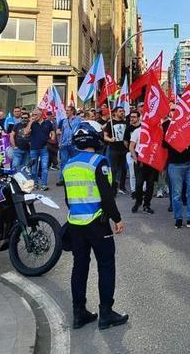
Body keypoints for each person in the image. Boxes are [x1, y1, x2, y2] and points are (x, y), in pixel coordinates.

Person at [62, 122, 129, 331]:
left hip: (75, 223)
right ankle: (106, 313)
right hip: (97, 224)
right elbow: (107, 196)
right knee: (106, 265)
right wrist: (117, 219)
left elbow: (68, 198)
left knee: (79, 267)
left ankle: (79, 313)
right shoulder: (99, 162)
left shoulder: (69, 165)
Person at [165, 117, 190, 229]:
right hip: (175, 165)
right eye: (172, 110)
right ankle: (178, 218)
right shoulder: (167, 125)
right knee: (177, 194)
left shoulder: (189, 122)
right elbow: (164, 144)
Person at [127, 120, 157, 214]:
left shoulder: (154, 132)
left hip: (151, 160)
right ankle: (138, 202)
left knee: (150, 184)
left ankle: (147, 204)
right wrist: (135, 158)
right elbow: (131, 146)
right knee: (139, 183)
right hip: (140, 160)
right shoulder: (137, 131)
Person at [24, 109, 55, 191]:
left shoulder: (48, 123)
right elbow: (25, 132)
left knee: (44, 167)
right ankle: (35, 184)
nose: (33, 116)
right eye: (33, 114)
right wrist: (30, 122)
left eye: (35, 114)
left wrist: (52, 138)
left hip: (44, 148)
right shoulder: (32, 123)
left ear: (40, 115)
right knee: (33, 168)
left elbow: (52, 132)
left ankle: (44, 184)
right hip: (34, 148)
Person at [103, 108, 129, 195]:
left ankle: (122, 187)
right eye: (120, 111)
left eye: (123, 111)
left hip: (124, 149)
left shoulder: (126, 123)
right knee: (113, 169)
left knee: (124, 169)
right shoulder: (110, 123)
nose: (122, 113)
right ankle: (113, 187)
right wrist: (110, 139)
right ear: (115, 113)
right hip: (114, 149)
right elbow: (105, 136)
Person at [56, 107, 81, 187]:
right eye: (66, 110)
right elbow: (60, 132)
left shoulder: (78, 120)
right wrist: (60, 142)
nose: (66, 112)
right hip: (64, 144)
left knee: (74, 162)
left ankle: (74, 178)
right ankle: (62, 179)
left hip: (74, 144)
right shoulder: (63, 121)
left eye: (68, 110)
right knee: (64, 162)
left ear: (73, 111)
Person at [123, 111, 141, 199]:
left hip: (141, 153)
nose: (132, 118)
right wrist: (131, 149)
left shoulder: (142, 128)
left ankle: (142, 190)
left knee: (142, 172)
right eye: (131, 117)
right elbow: (126, 141)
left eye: (134, 117)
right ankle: (133, 191)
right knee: (132, 173)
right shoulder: (128, 128)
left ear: (138, 117)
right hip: (130, 153)